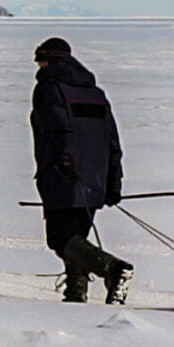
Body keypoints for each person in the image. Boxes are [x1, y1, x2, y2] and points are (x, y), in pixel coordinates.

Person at [29, 37, 132, 304]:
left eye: (40, 60)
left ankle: (113, 269)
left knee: (61, 239)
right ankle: (75, 295)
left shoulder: (48, 87)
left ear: (48, 60)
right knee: (76, 238)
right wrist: (112, 183)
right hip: (95, 177)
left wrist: (62, 166)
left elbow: (55, 132)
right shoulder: (96, 93)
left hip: (64, 176)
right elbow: (112, 140)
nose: (38, 66)